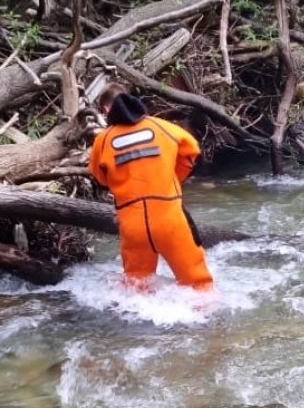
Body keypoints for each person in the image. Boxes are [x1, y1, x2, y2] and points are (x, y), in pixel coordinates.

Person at [87, 83, 214, 292]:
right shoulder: (162, 127)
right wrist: (171, 178)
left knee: (137, 288)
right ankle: (210, 323)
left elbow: (99, 177)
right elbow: (192, 152)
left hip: (132, 223)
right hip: (168, 218)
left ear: (106, 110)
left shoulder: (103, 140)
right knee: (198, 284)